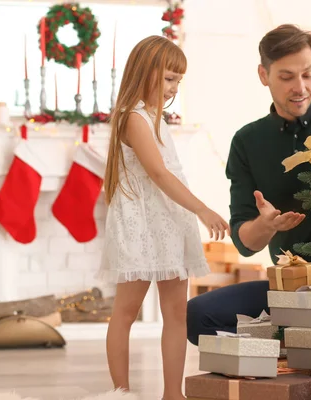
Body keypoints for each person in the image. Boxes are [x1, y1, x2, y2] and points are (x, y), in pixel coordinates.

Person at [185, 24, 311, 372]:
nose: (300, 87)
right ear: (264, 75)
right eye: (286, 76)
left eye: (308, 74)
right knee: (198, 314)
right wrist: (265, 225)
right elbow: (246, 243)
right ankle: (292, 360)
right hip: (289, 293)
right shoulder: (247, 141)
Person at [96, 35, 229, 399]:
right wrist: (201, 208)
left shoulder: (158, 120)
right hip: (142, 225)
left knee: (176, 314)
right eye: (169, 78)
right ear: (145, 73)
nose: (173, 88)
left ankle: (174, 394)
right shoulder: (134, 118)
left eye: (177, 81)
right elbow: (158, 174)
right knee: (125, 312)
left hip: (169, 223)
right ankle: (121, 391)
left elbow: (168, 176)